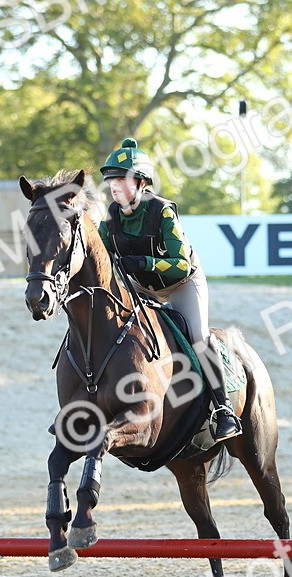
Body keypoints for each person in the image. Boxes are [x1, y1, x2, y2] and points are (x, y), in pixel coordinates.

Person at [97, 137, 242, 441]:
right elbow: (101, 256)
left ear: (141, 182)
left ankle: (223, 409)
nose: (113, 185)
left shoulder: (162, 211)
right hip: (142, 290)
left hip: (181, 285)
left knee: (199, 338)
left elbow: (179, 264)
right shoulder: (110, 216)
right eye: (111, 180)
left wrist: (144, 261)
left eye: (121, 179)